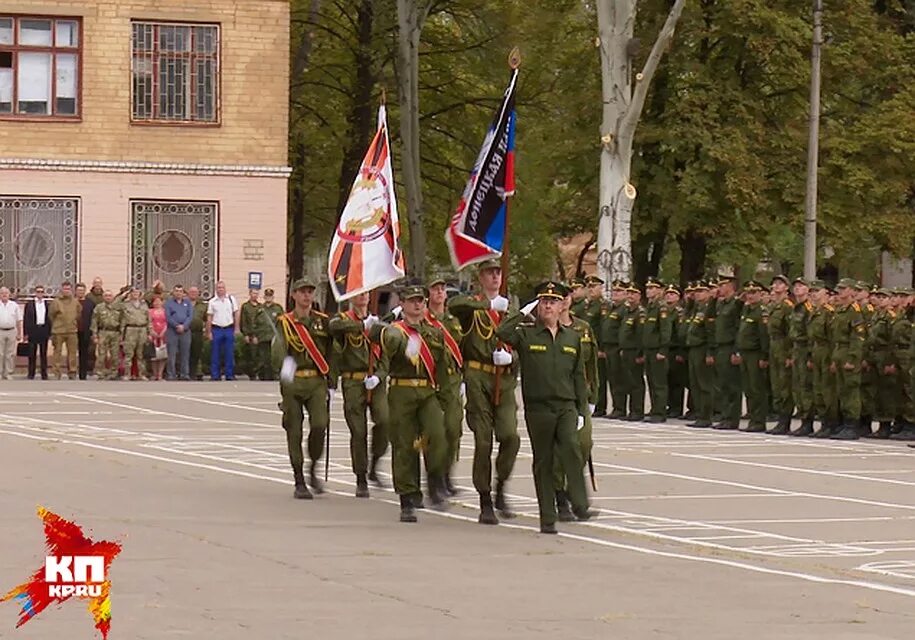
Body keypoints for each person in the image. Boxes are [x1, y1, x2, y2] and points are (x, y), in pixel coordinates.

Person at [496, 281, 597, 534]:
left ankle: (580, 504)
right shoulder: (527, 334)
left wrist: (582, 409)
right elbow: (502, 332)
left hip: (565, 406)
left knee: (572, 449)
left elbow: (578, 377)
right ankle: (548, 516)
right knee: (544, 461)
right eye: (543, 301)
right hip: (539, 408)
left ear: (562, 305)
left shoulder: (572, 337)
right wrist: (522, 312)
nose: (548, 306)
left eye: (553, 301)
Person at [448, 259, 521, 524]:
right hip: (478, 376)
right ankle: (485, 498)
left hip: (504, 378)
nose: (494, 277)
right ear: (480, 277)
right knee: (483, 441)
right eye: (489, 273)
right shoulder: (474, 307)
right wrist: (488, 305)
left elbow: (522, 342)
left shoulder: (510, 311)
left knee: (510, 436)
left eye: (498, 272)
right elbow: (454, 306)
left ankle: (501, 485)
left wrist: (512, 360)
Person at [373, 282, 448, 522]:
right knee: (404, 444)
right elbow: (384, 339)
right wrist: (393, 327)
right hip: (402, 391)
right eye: (412, 300)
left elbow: (442, 365)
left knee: (436, 436)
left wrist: (447, 395)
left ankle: (435, 479)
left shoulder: (434, 331)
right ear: (402, 304)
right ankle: (407, 497)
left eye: (421, 300)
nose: (418, 304)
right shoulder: (395, 330)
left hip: (427, 392)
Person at [272, 278, 335, 499]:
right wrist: (285, 375)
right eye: (302, 292)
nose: (307, 296)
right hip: (294, 381)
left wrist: (332, 380)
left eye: (310, 292)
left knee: (320, 425)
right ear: (294, 295)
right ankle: (299, 478)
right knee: (294, 431)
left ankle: (313, 466)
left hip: (316, 380)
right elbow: (279, 350)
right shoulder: (285, 322)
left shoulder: (322, 322)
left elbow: (330, 351)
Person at [327, 290, 388, 498]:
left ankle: (375, 463)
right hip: (353, 381)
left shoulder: (377, 322)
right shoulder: (343, 320)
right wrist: (362, 326)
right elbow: (333, 327)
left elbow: (385, 355)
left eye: (365, 293)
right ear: (351, 297)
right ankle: (361, 477)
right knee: (358, 431)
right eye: (358, 293)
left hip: (375, 381)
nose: (362, 297)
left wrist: (379, 375)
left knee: (384, 421)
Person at [554, 283, 597, 521]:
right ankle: (561, 497)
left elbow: (591, 366)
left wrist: (594, 397)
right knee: (559, 451)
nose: (565, 300)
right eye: (559, 297)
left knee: (583, 443)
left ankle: (571, 490)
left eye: (567, 296)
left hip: (580, 397)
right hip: (556, 396)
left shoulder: (583, 328)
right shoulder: (545, 328)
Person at [426, 277, 465, 496]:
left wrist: (464, 378)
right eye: (435, 289)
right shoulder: (422, 319)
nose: (440, 292)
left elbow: (462, 348)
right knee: (433, 433)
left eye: (442, 289)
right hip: (431, 380)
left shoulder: (452, 321)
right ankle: (434, 478)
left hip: (452, 381)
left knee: (453, 430)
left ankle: (447, 475)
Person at [830, 278, 867, 440]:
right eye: (839, 288)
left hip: (849, 351)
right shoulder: (840, 310)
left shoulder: (855, 311)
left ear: (852, 291)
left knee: (851, 390)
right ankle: (845, 423)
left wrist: (852, 359)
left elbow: (858, 337)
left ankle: (852, 425)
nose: (840, 291)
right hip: (839, 350)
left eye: (844, 289)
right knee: (842, 390)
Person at [734, 281, 770, 432]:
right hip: (745, 352)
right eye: (748, 293)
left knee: (757, 389)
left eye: (754, 292)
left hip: (755, 353)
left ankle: (759, 420)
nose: (750, 295)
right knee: (748, 388)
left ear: (760, 294)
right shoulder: (746, 309)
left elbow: (763, 336)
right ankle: (752, 418)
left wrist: (764, 356)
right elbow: (741, 332)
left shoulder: (761, 311)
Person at [642, 278, 674, 423]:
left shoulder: (662, 308)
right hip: (649, 350)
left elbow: (666, 331)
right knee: (651, 381)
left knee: (659, 382)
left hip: (657, 350)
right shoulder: (649, 307)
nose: (649, 290)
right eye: (648, 288)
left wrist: (663, 350)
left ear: (660, 290)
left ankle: (660, 412)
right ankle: (655, 409)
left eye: (653, 288)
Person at [712, 275, 742, 430]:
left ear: (730, 286)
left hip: (730, 346)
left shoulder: (736, 304)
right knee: (722, 384)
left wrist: (736, 351)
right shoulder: (721, 304)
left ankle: (732, 418)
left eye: (722, 285)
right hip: (720, 347)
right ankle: (725, 416)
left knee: (732, 385)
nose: (719, 288)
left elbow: (739, 328)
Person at [206, 281, 240, 381]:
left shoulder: (231, 299)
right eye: (218, 288)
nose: (220, 289)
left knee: (229, 353)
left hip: (229, 328)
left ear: (225, 289)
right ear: (216, 289)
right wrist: (209, 332)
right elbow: (209, 317)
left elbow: (236, 314)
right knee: (215, 353)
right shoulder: (212, 301)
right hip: (216, 329)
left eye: (222, 288)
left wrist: (237, 328)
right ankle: (215, 375)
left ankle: (229, 374)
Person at [49, 282, 80, 380]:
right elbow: (51, 315)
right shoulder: (56, 302)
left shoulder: (75, 302)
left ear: (71, 290)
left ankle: (72, 372)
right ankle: (57, 372)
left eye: (68, 289)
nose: (66, 291)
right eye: (65, 289)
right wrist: (57, 324)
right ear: (61, 289)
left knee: (72, 353)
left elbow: (78, 314)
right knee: (57, 352)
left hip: (72, 330)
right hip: (58, 331)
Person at [90, 290, 122, 380]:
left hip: (115, 332)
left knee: (115, 354)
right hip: (103, 332)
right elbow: (94, 322)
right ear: (103, 297)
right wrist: (95, 335)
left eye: (110, 295)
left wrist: (122, 334)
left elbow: (123, 320)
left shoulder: (118, 307)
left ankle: (114, 373)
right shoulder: (99, 307)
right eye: (106, 295)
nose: (108, 297)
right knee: (102, 354)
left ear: (113, 297)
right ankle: (101, 373)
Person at [120, 288, 150, 381]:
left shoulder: (144, 305)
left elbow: (148, 319)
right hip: (130, 329)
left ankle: (141, 374)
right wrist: (121, 335)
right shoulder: (125, 305)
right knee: (129, 354)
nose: (135, 294)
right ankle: (127, 374)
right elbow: (121, 318)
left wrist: (149, 332)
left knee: (141, 354)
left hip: (142, 329)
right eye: (133, 292)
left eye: (137, 292)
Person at [165, 285, 193, 380]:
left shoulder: (187, 303)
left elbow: (190, 316)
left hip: (185, 331)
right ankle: (171, 374)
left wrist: (184, 326)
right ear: (173, 292)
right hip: (172, 330)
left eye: (180, 291)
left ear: (183, 293)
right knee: (171, 354)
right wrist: (176, 325)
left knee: (185, 354)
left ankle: (184, 374)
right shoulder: (169, 303)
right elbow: (168, 317)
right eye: (176, 291)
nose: (178, 293)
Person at [23, 284, 51, 380]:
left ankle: (44, 374)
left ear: (44, 293)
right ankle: (31, 373)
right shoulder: (29, 304)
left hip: (43, 330)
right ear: (35, 293)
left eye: (41, 292)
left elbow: (49, 319)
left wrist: (49, 333)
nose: (40, 293)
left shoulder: (47, 304)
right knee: (32, 353)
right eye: (38, 292)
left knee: (43, 353)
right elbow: (26, 319)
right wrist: (25, 333)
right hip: (33, 331)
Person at [259, 288, 285, 380]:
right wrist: (254, 335)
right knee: (264, 358)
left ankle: (276, 374)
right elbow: (255, 322)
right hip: (263, 336)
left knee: (275, 357)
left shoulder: (278, 308)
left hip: (274, 337)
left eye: (270, 296)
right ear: (264, 297)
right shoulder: (260, 309)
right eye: (267, 296)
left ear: (273, 297)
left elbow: (283, 322)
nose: (268, 298)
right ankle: (266, 375)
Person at [240, 289, 264, 380]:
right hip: (249, 334)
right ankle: (252, 374)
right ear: (250, 294)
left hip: (259, 334)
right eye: (253, 293)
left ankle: (259, 372)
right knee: (251, 355)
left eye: (257, 293)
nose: (255, 295)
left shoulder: (261, 307)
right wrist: (245, 334)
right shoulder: (246, 306)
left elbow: (262, 322)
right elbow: (244, 321)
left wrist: (258, 335)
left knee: (260, 355)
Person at [0, 286, 23, 379]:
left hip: (11, 331)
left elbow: (19, 320)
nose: (4, 295)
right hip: (0, 331)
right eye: (2, 293)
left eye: (6, 293)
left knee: (10, 354)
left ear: (9, 294)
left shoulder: (14, 305)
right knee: (0, 353)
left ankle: (8, 373)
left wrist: (19, 333)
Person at [187, 286, 209, 380]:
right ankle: (186, 372)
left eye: (195, 292)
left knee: (197, 353)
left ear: (198, 293)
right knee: (186, 353)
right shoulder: (184, 303)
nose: (193, 294)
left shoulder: (203, 305)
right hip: (186, 331)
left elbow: (207, 319)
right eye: (191, 292)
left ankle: (197, 372)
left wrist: (207, 331)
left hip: (198, 332)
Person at [75, 283, 96, 380]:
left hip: (85, 331)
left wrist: (93, 332)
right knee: (72, 353)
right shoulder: (72, 302)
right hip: (73, 331)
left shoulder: (90, 303)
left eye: (82, 290)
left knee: (84, 353)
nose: (80, 292)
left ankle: (82, 374)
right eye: (79, 290)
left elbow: (94, 318)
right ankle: (72, 372)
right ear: (75, 291)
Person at [148, 296, 167, 380]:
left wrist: (163, 331)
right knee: (154, 355)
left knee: (162, 355)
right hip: (153, 335)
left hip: (163, 335)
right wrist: (151, 331)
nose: (157, 303)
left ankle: (160, 374)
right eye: (155, 301)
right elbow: (148, 322)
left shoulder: (165, 311)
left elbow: (167, 322)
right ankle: (154, 374)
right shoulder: (149, 311)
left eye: (159, 301)